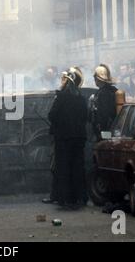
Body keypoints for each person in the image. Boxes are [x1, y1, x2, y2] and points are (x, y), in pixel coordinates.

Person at [48, 67, 88, 209]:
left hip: (63, 138)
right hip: (78, 138)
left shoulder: (61, 97)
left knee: (63, 167)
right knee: (78, 167)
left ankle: (64, 198)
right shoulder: (81, 99)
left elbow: (51, 115)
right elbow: (86, 117)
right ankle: (79, 197)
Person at [89, 64, 118, 139]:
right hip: (113, 127)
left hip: (105, 130)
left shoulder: (103, 93)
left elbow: (104, 114)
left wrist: (101, 129)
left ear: (97, 79)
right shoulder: (112, 90)